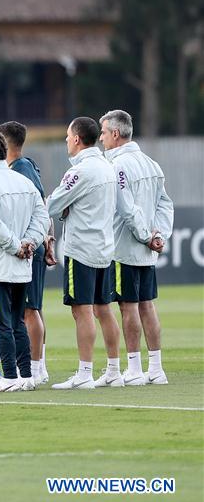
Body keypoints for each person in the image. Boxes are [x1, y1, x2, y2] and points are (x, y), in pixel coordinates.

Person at [0, 129, 49, 393]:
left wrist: (16, 246)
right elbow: (42, 219)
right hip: (22, 264)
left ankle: (10, 377)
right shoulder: (24, 183)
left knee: (1, 322)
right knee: (17, 322)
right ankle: (26, 375)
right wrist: (29, 243)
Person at [98, 109, 173, 385]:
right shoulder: (151, 164)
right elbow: (166, 204)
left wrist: (145, 235)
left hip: (124, 247)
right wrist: (160, 236)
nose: (101, 138)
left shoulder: (117, 166)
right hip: (147, 249)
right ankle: (156, 368)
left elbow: (125, 208)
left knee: (128, 307)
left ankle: (134, 368)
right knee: (147, 306)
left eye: (104, 133)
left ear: (116, 134)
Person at [47, 117, 120, 390]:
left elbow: (53, 204)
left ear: (77, 138)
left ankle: (85, 373)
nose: (66, 140)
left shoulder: (80, 171)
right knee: (104, 308)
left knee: (82, 310)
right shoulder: (107, 166)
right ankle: (114, 370)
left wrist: (64, 207)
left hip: (82, 249)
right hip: (104, 246)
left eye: (68, 136)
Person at [0, 121, 56, 384]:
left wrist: (43, 241)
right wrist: (49, 240)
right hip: (35, 242)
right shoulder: (24, 166)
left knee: (29, 309)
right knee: (33, 307)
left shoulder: (21, 169)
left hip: (28, 246)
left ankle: (35, 366)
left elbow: (40, 208)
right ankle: (39, 364)